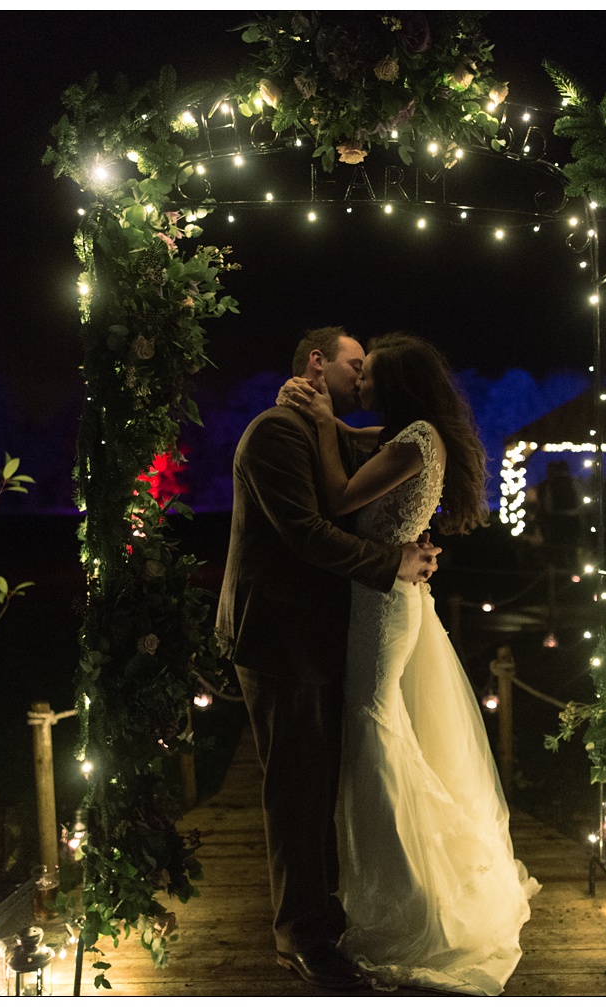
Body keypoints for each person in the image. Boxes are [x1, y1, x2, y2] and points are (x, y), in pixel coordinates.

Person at [279, 332, 540, 995]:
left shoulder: (414, 440)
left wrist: (317, 424)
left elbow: (339, 499)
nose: (359, 381)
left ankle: (403, 897)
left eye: (370, 376)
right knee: (381, 728)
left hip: (384, 603)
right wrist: (329, 420)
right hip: (391, 597)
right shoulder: (413, 434)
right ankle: (388, 882)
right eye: (356, 371)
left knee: (371, 729)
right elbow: (360, 435)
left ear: (393, 385)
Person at [215, 326, 442, 991]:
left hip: (320, 631)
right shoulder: (275, 434)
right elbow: (308, 532)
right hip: (277, 634)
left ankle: (323, 911)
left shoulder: (327, 431)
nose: (363, 376)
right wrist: (394, 560)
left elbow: (377, 473)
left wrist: (415, 534)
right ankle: (299, 935)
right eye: (353, 365)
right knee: (293, 787)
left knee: (317, 781)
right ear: (317, 363)